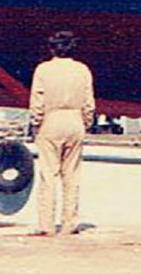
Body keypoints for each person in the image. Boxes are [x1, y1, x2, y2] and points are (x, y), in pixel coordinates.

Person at [29, 30, 95, 236]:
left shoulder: (43, 69)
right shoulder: (82, 70)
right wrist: (86, 123)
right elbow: (89, 102)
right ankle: (69, 223)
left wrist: (36, 124)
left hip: (51, 119)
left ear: (51, 48)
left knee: (48, 175)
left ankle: (46, 224)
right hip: (75, 120)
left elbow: (37, 101)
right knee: (72, 175)